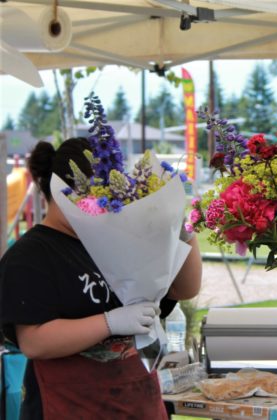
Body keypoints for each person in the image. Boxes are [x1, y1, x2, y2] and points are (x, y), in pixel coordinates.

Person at [0, 138, 202, 419]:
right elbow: (34, 342)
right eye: (94, 195)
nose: (104, 205)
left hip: (137, 399)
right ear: (62, 194)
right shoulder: (31, 255)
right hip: (70, 404)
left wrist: (179, 227)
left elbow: (184, 289)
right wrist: (110, 322)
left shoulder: (117, 238)